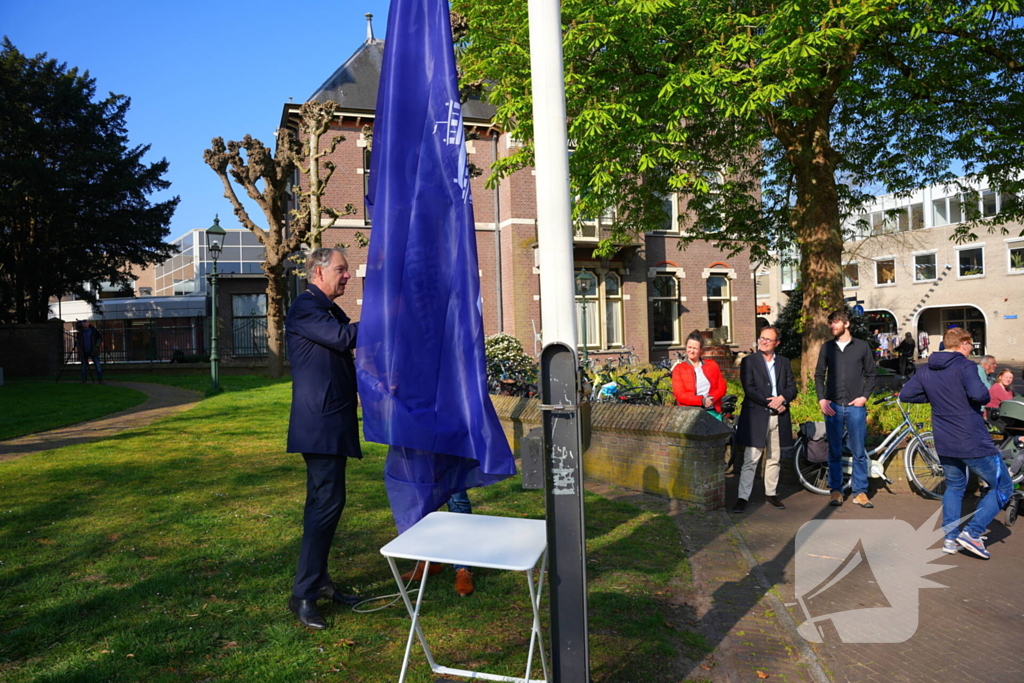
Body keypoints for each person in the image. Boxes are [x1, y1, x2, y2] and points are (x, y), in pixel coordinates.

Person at [285, 247, 362, 630]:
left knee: (323, 504)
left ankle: (319, 582)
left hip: (331, 423)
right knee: (326, 504)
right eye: (341, 269)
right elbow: (343, 338)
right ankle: (303, 594)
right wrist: (388, 315)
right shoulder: (306, 307)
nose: (347, 275)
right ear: (318, 272)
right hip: (320, 426)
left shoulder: (328, 307)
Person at [900, 327, 1012, 559]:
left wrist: (936, 396)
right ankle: (972, 533)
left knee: (955, 486)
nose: (972, 349)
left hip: (944, 439)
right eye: (971, 345)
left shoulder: (926, 368)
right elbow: (981, 396)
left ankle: (950, 538)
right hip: (972, 439)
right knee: (1003, 486)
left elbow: (907, 394)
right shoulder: (966, 366)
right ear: (963, 344)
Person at [815, 310, 877, 508]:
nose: (832, 326)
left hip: (855, 407)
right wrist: (822, 399)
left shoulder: (861, 346)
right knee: (834, 450)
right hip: (832, 406)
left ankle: (860, 492)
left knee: (858, 451)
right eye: (831, 323)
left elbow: (872, 374)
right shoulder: (827, 348)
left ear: (847, 324)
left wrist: (864, 398)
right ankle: (836, 490)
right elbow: (818, 375)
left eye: (836, 323)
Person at [732, 326, 797, 513]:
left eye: (768, 339)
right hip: (756, 417)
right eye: (761, 338)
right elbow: (750, 389)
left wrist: (782, 399)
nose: (763, 341)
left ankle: (771, 494)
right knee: (751, 458)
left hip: (779, 417)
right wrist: (773, 403)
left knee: (774, 457)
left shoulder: (784, 362)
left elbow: (792, 387)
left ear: (777, 343)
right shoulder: (749, 361)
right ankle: (742, 497)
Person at [672, 329, 727, 417]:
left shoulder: (712, 365)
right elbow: (680, 395)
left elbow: (722, 387)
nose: (691, 351)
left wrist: (711, 399)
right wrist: (701, 401)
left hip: (712, 410)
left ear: (701, 350)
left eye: (695, 348)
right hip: (689, 412)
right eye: (689, 347)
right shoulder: (679, 369)